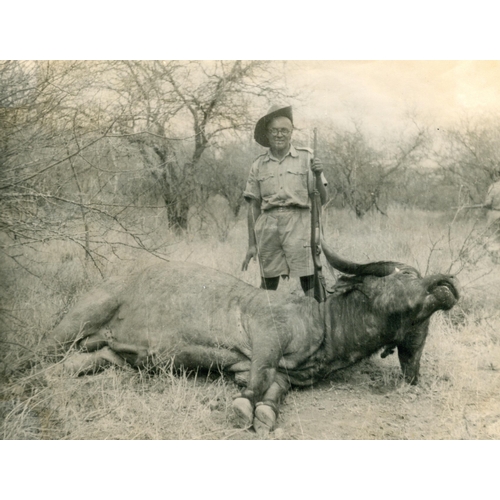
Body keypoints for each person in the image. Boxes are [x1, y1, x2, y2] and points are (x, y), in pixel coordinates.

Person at [241, 104, 328, 297]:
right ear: (267, 134)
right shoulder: (258, 164)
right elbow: (253, 207)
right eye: (274, 131)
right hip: (269, 228)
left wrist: (318, 174)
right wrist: (251, 245)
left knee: (311, 284)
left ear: (291, 133)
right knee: (267, 286)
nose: (279, 135)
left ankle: (319, 323)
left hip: (300, 225)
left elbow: (322, 198)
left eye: (284, 131)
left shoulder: (307, 158)